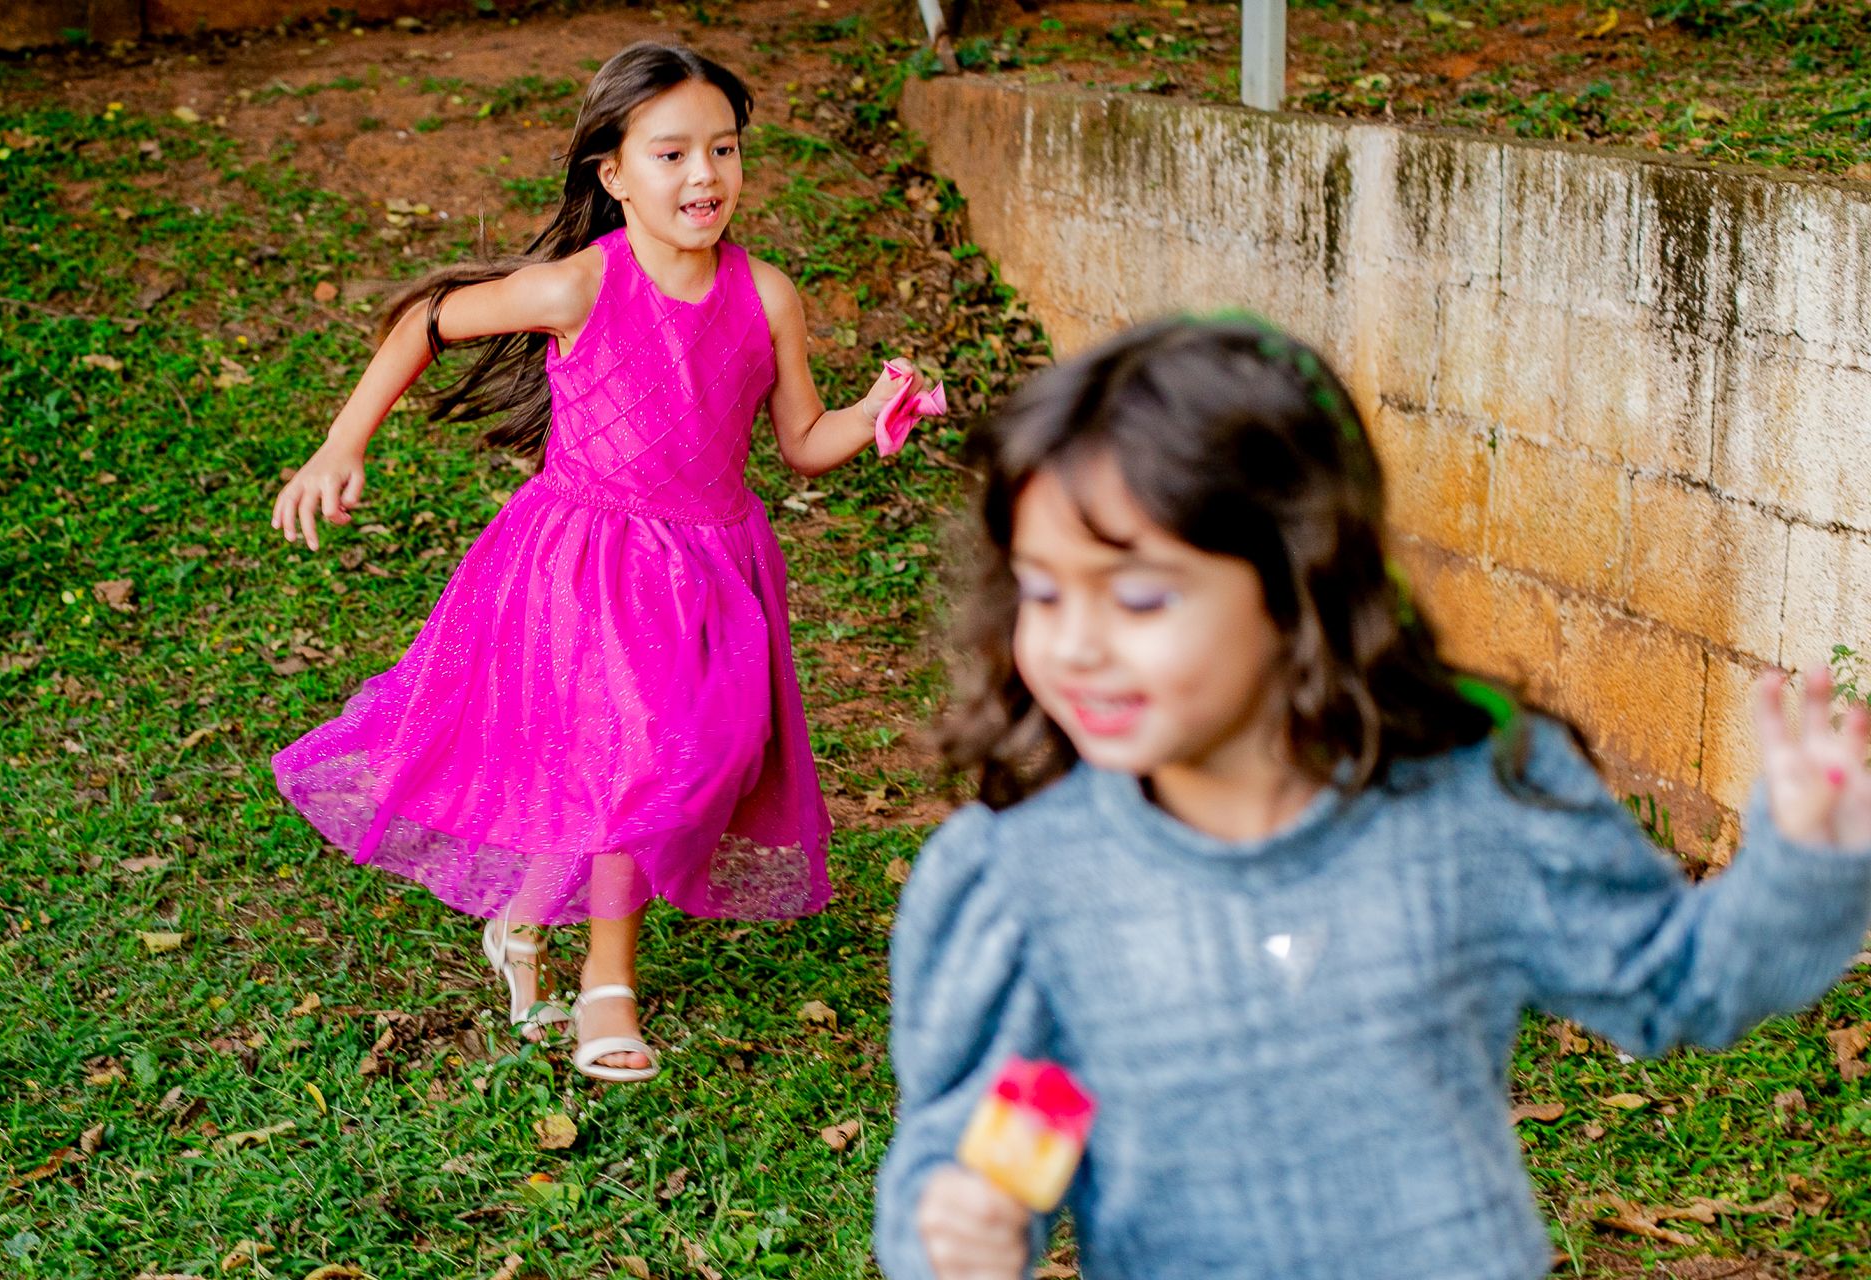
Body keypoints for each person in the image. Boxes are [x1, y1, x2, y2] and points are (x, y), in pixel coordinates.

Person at [875, 314, 1871, 1278]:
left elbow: (1675, 981)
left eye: (1139, 595)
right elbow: (980, 1147)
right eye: (1044, 590)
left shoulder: (1471, 809)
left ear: (1295, 580)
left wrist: (1803, 865)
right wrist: (957, 1224)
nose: (1076, 642)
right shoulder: (1035, 887)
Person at [270, 42, 929, 1082]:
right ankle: (605, 988)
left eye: (723, 150)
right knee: (634, 761)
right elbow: (425, 321)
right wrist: (340, 442)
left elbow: (801, 438)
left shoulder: (767, 296)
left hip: (714, 569)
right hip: (587, 561)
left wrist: (875, 413)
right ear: (613, 174)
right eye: (670, 155)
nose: (703, 176)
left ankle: (525, 917)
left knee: (697, 757)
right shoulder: (579, 286)